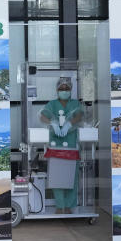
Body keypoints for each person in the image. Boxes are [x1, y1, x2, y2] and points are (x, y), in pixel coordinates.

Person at [40, 77, 82, 214]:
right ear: (57, 90)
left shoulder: (75, 103)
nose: (64, 91)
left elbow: (80, 115)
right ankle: (60, 205)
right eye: (61, 89)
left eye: (67, 88)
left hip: (71, 145)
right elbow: (42, 116)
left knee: (72, 176)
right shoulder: (52, 104)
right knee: (57, 176)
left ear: (71, 90)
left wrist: (70, 123)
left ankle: (69, 206)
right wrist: (52, 122)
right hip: (55, 145)